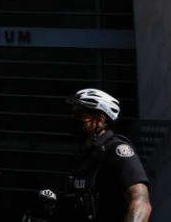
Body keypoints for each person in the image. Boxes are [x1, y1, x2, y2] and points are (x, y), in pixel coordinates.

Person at [63, 89, 150, 222]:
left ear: (99, 120)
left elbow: (140, 201)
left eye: (79, 115)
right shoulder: (84, 158)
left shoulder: (117, 150)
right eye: (73, 114)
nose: (74, 119)